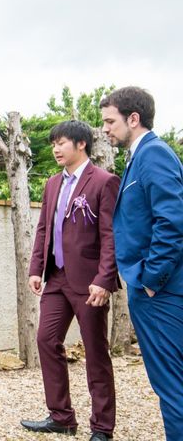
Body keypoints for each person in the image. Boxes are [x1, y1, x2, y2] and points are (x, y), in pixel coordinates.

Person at [21, 120, 120, 441]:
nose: (55, 148)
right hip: (56, 278)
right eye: (53, 143)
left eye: (61, 142)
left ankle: (102, 427)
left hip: (90, 282)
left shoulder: (104, 181)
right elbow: (43, 229)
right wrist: (36, 268)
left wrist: (105, 279)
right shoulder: (52, 184)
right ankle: (62, 416)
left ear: (81, 144)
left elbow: (111, 235)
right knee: (46, 341)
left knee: (96, 352)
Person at [101, 87, 183, 440]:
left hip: (161, 292)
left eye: (109, 121)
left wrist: (151, 279)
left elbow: (173, 221)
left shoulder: (154, 155)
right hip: (156, 288)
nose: (104, 129)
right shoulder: (140, 156)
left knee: (172, 384)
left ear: (133, 118)